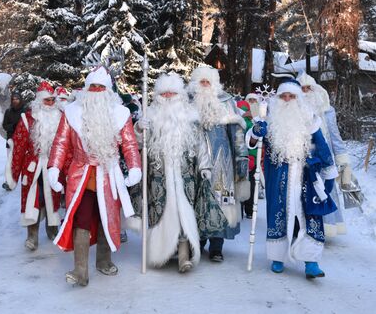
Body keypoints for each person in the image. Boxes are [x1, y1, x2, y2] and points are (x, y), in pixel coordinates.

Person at [47, 66, 141, 286]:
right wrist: (54, 168)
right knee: (81, 218)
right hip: (81, 176)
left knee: (106, 217)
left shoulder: (120, 114)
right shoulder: (71, 113)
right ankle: (80, 270)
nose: (97, 91)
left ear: (108, 90)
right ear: (86, 89)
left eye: (101, 87)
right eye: (93, 87)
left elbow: (129, 144)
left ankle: (104, 260)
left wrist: (134, 167)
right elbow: (61, 143)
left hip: (109, 176)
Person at [247, 78, 338, 279]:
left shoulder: (310, 118)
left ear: (298, 98)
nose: (287, 99)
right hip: (278, 177)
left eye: (291, 96)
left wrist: (329, 171)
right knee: (278, 213)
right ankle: (278, 258)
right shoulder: (270, 120)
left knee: (310, 215)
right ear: (278, 98)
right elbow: (252, 143)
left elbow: (322, 145)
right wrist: (255, 132)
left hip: (306, 177)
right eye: (283, 96)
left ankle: (311, 262)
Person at [133, 73, 211, 272]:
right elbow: (139, 143)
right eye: (164, 93)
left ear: (180, 95)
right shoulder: (150, 115)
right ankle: (163, 251)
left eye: (172, 93)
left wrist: (205, 166)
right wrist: (139, 129)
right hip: (159, 174)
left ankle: (184, 255)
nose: (168, 97)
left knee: (184, 211)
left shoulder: (190, 116)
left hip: (185, 173)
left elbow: (202, 143)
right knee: (164, 211)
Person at [188, 66, 250, 262]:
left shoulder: (226, 102)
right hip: (194, 160)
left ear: (214, 84)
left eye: (208, 82)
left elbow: (237, 133)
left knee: (221, 202)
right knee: (196, 203)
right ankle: (196, 242)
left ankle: (216, 246)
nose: (205, 85)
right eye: (201, 82)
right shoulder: (188, 103)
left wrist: (241, 158)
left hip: (221, 160)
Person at [6, 81, 64, 249]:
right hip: (33, 167)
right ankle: (32, 236)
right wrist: (13, 175)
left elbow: (67, 146)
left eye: (53, 100)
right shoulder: (27, 119)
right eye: (47, 100)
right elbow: (18, 148)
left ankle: (52, 228)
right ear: (39, 101)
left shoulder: (61, 117)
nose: (51, 104)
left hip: (54, 166)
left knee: (52, 197)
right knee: (34, 200)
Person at [297, 72, 351, 237]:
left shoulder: (327, 111)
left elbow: (335, 137)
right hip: (301, 159)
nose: (306, 92)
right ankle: (303, 228)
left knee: (324, 192)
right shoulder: (293, 109)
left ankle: (325, 227)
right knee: (301, 194)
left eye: (309, 88)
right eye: (302, 89)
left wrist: (343, 162)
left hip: (323, 160)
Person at [1, 89, 27, 190]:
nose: (15, 100)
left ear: (20, 100)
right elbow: (4, 125)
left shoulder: (25, 111)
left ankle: (26, 182)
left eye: (17, 98)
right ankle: (9, 182)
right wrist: (14, 127)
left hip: (23, 142)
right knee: (11, 163)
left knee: (24, 163)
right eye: (13, 99)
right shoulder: (8, 111)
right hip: (11, 141)